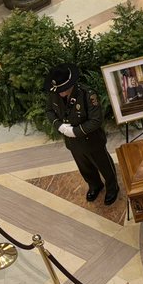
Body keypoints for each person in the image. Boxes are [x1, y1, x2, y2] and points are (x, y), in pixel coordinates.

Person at [45, 64, 119, 204]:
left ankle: (112, 187)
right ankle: (95, 185)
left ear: (70, 84)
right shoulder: (55, 93)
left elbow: (96, 120)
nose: (60, 93)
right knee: (84, 167)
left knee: (104, 165)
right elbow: (49, 111)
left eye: (63, 89)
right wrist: (59, 126)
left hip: (92, 140)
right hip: (73, 143)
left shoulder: (87, 94)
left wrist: (75, 131)